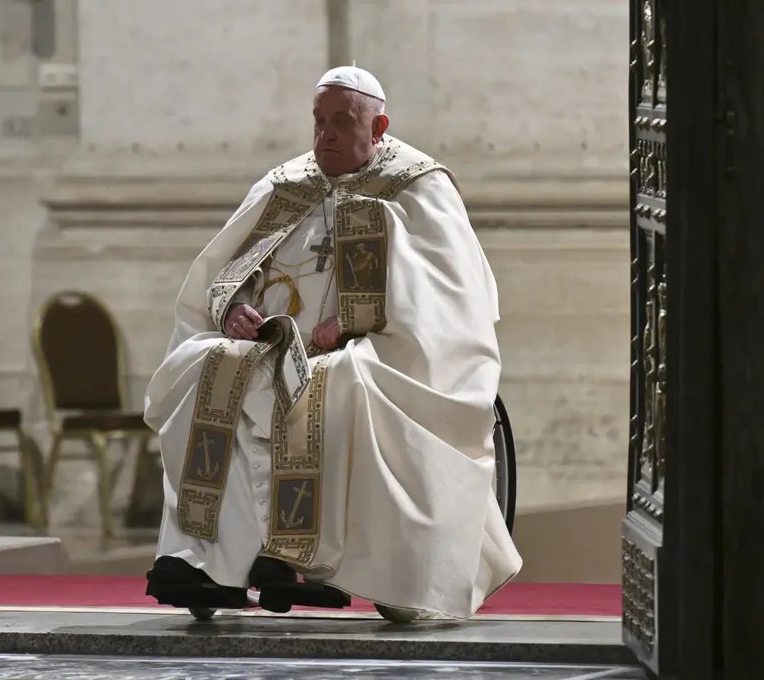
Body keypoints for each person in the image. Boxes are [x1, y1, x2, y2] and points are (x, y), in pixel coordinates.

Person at [143, 66, 521, 623]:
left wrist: (354, 322)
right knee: (206, 365)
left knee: (333, 382)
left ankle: (301, 559)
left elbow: (450, 296)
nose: (324, 136)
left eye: (341, 123)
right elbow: (225, 269)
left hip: (375, 350)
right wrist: (235, 308)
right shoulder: (287, 183)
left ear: (379, 125)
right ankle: (208, 563)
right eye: (319, 122)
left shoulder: (417, 185)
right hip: (268, 347)